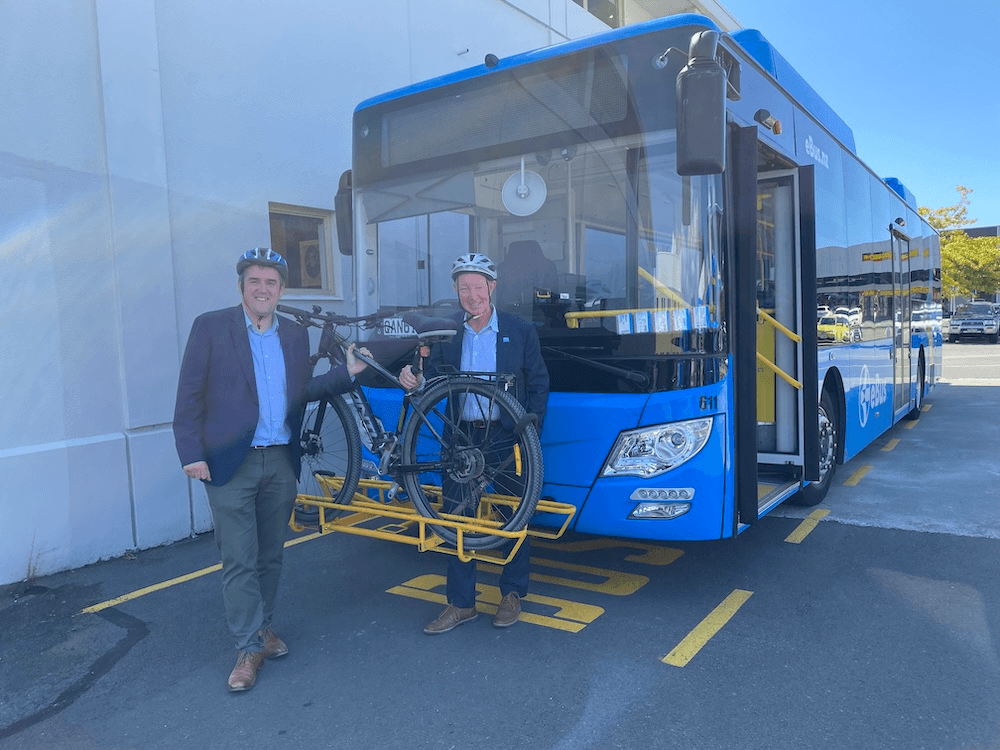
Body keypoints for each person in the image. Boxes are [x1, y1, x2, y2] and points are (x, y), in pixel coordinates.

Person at [173, 247, 369, 692]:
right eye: (254, 281)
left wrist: (348, 372)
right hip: (230, 462)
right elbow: (189, 395)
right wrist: (190, 452)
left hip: (280, 459)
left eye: (271, 282)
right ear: (242, 286)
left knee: (270, 555)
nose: (262, 289)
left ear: (281, 290)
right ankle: (247, 649)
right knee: (239, 559)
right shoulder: (211, 327)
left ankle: (262, 627)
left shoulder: (294, 335)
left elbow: (301, 391)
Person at [399, 252, 549, 633]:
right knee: (456, 520)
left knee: (514, 514)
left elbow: (538, 384)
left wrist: (528, 435)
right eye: (464, 288)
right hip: (460, 438)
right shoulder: (448, 333)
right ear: (456, 291)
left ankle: (512, 594)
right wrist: (415, 379)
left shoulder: (519, 330)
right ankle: (461, 603)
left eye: (477, 287)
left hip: (506, 435)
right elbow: (432, 379)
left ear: (491, 287)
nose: (472, 295)